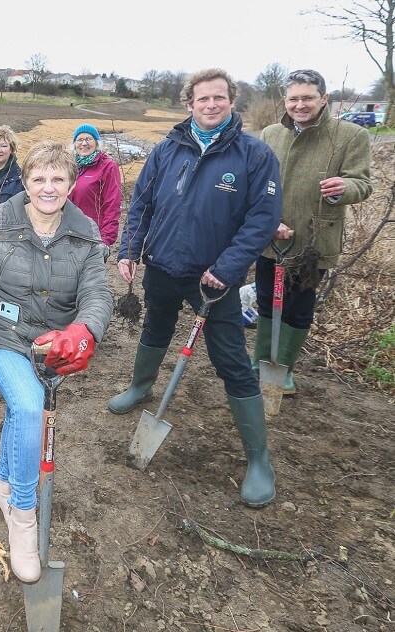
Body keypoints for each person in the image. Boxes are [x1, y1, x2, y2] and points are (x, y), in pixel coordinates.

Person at [0, 141, 112, 583]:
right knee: (31, 407)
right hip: (1, 333)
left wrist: (84, 330)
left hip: (55, 343)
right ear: (24, 181)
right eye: (38, 179)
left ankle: (1, 481)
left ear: (71, 183)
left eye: (58, 179)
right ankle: (23, 515)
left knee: (21, 411)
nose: (48, 188)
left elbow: (97, 294)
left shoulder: (86, 233)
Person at [110, 68, 282, 508]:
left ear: (231, 102)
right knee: (156, 328)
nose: (210, 105)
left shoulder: (254, 156)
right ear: (189, 104)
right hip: (164, 266)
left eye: (218, 98)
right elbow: (142, 203)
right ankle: (140, 386)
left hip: (214, 280)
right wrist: (129, 250)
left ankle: (259, 458)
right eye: (202, 99)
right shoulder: (167, 150)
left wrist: (225, 269)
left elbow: (261, 221)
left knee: (232, 361)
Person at [256, 69, 372, 395]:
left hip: (312, 242)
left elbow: (362, 183)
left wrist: (344, 187)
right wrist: (264, 221)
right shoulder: (270, 134)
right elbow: (256, 183)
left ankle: (283, 371)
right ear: (285, 100)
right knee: (266, 300)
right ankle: (261, 362)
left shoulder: (350, 136)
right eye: (294, 98)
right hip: (271, 236)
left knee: (297, 307)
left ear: (324, 99)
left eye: (308, 98)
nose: (300, 105)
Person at [68, 123, 123, 247]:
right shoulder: (69, 165)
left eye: (89, 139)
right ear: (74, 144)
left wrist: (105, 240)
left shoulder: (107, 166)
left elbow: (112, 205)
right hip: (67, 235)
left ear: (97, 142)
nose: (84, 143)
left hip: (92, 237)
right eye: (80, 139)